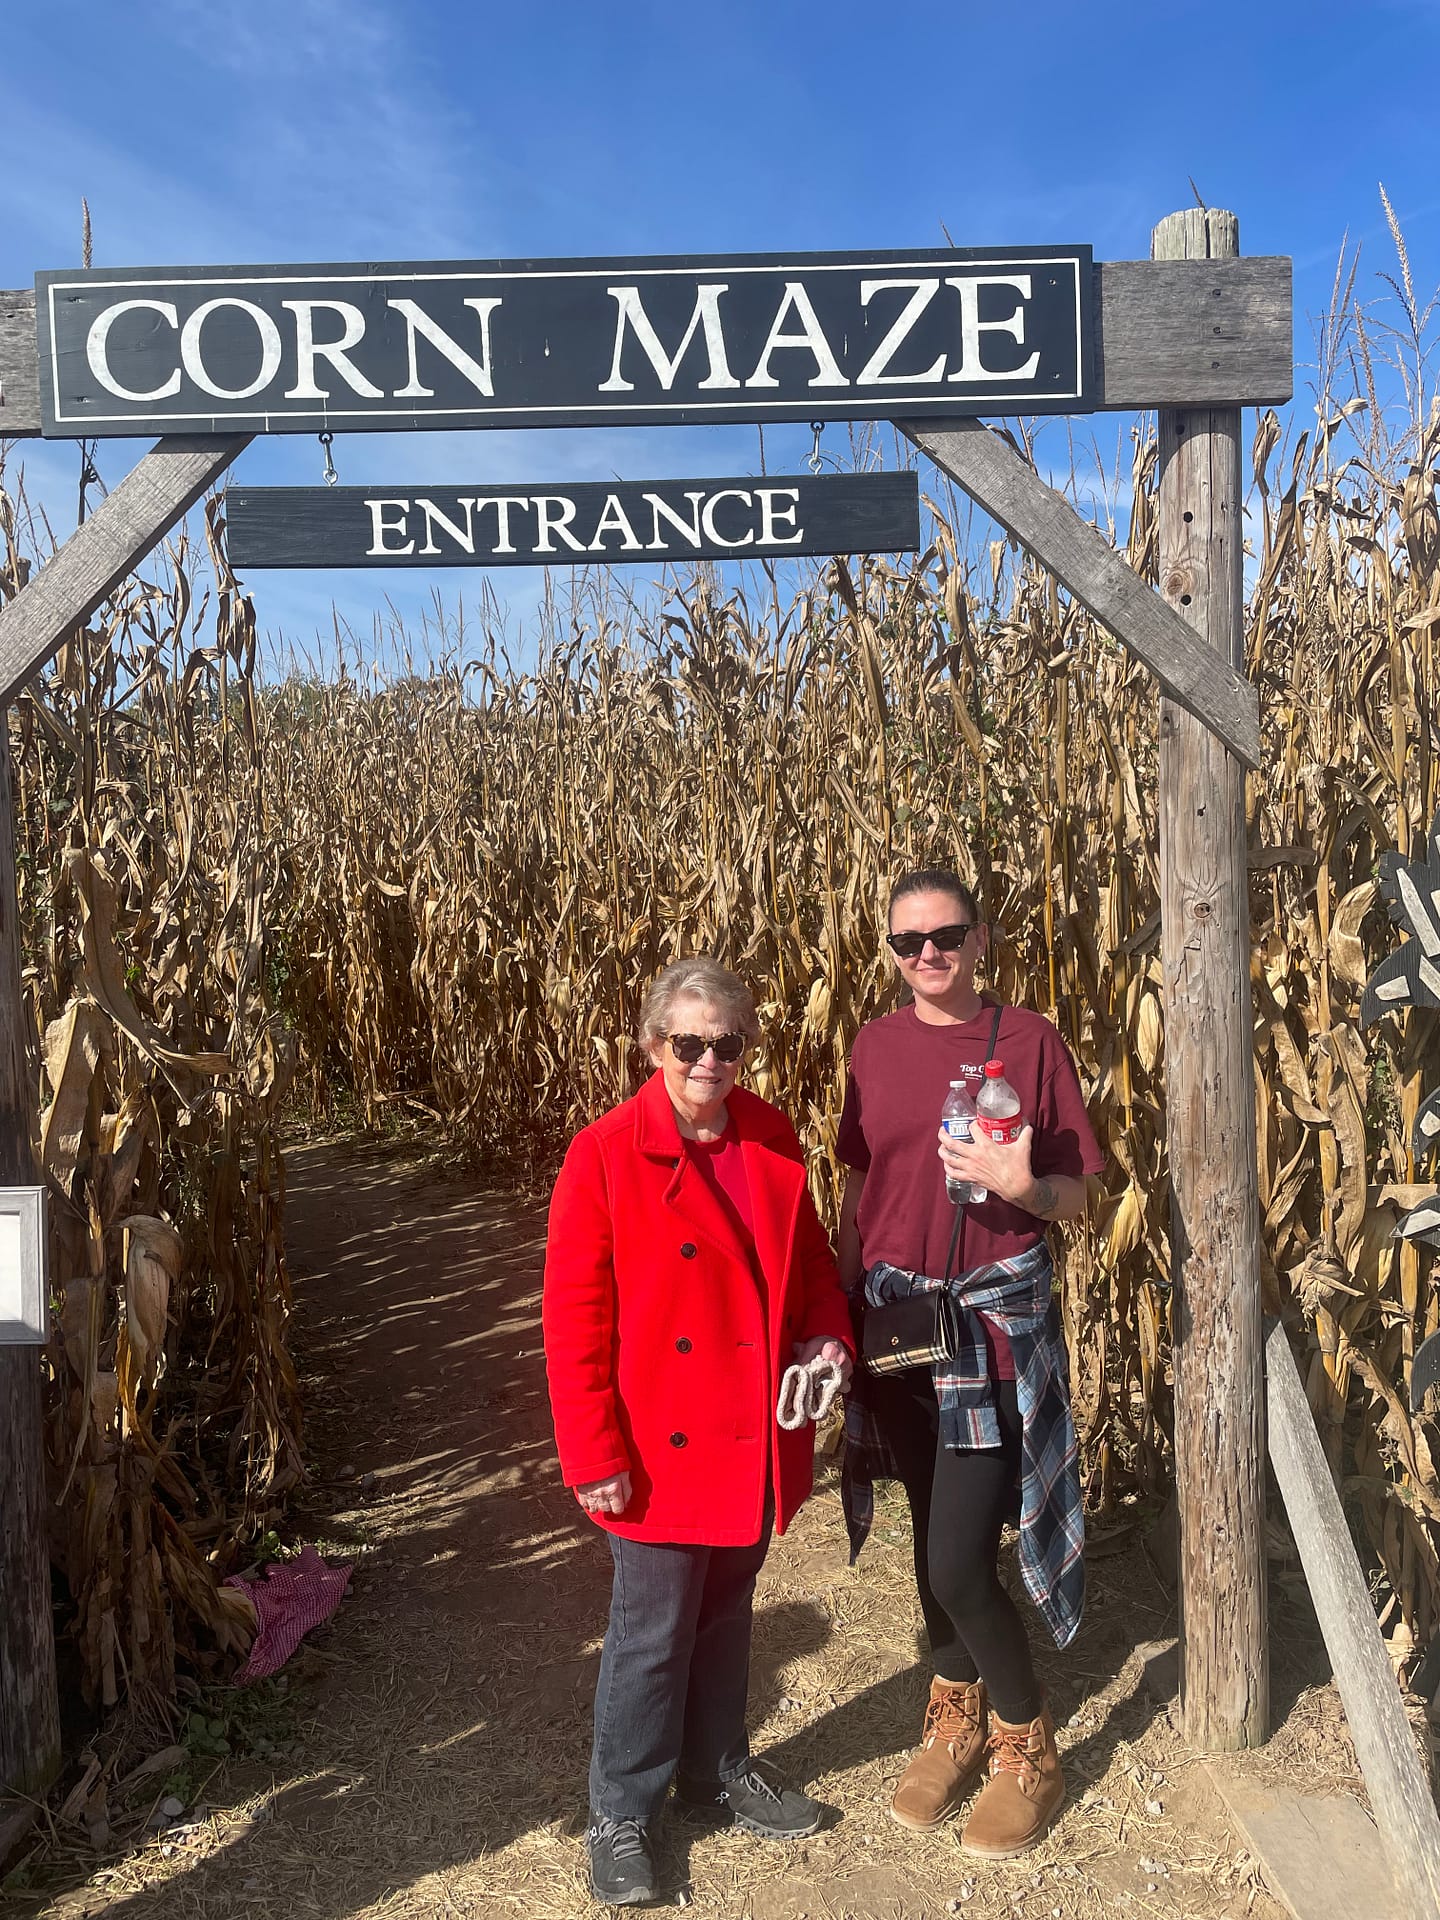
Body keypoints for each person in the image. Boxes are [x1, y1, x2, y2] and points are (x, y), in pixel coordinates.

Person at [543, 955, 855, 1907]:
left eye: (728, 1043)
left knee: (725, 1619)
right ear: (652, 1046)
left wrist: (831, 1343)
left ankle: (715, 1768)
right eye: (689, 1043)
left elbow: (810, 1268)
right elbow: (573, 1321)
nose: (709, 1060)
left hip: (754, 1437)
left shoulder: (770, 1135)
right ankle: (621, 1813)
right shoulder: (602, 1154)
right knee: (649, 1634)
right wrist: (593, 1455)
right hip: (656, 1449)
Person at [837, 868, 1104, 1860]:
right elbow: (862, 1175)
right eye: (907, 942)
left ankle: (1026, 1741)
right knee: (925, 1535)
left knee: (959, 1554)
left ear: (981, 940)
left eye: (946, 936)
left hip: (990, 1328)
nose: (927, 956)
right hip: (899, 1320)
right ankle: (952, 1712)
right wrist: (839, 1293)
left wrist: (1027, 1186)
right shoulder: (874, 1044)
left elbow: (1082, 1195)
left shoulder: (1030, 1042)